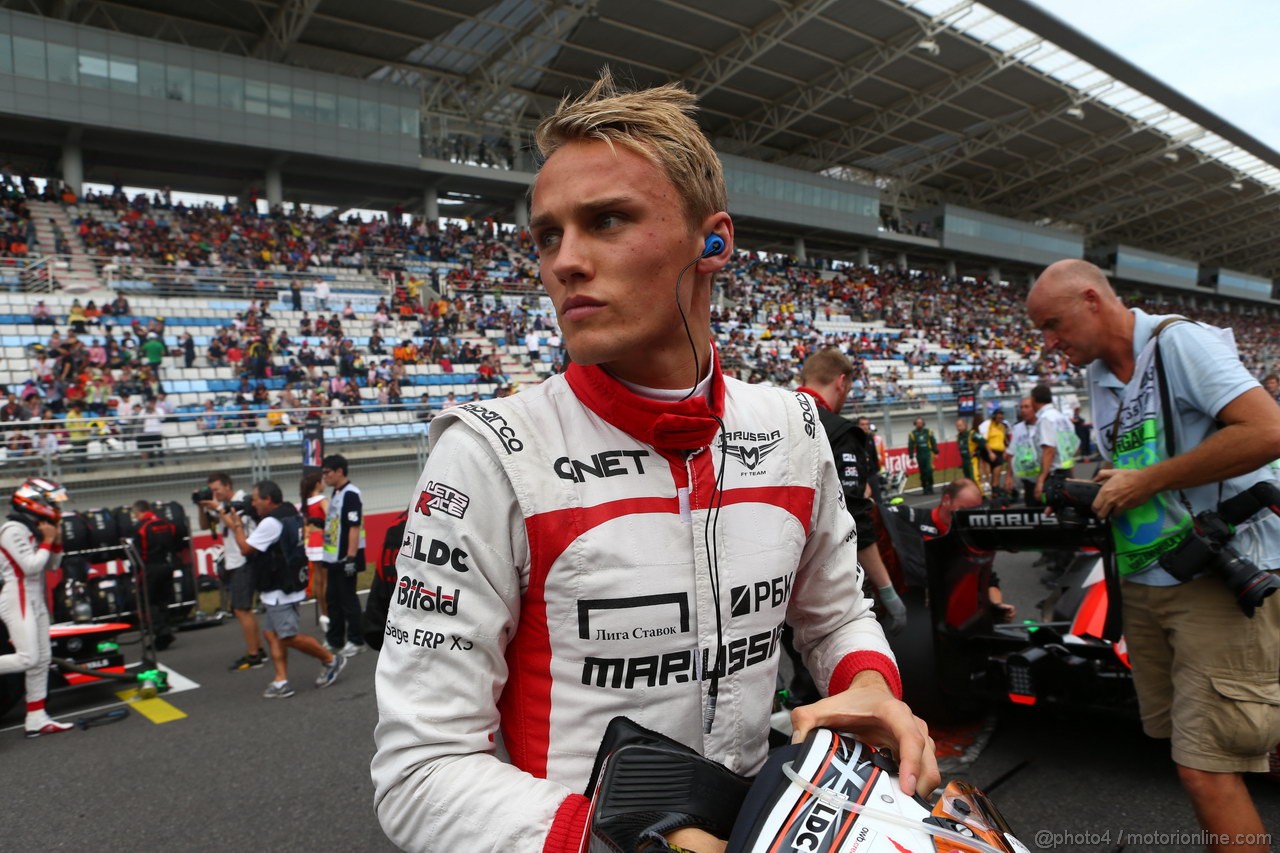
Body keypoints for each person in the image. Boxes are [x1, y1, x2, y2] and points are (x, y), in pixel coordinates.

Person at [372, 71, 935, 853]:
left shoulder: (794, 424)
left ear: (714, 241)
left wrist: (869, 685)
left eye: (606, 220)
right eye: (547, 234)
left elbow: (835, 616)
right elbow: (419, 770)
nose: (564, 261)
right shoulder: (490, 452)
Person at [1028, 259, 1280, 851]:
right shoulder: (1099, 373)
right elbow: (1144, 463)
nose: (1048, 342)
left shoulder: (1178, 343)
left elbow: (1268, 429)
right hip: (1149, 579)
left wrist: (1147, 480)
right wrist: (1107, 485)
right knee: (1208, 754)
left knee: (1207, 768)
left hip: (1215, 581)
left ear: (1093, 300)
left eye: (1054, 324)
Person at [796, 348, 906, 638]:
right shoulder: (840, 431)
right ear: (841, 382)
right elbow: (852, 516)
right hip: (824, 578)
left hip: (772, 578)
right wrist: (887, 588)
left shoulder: (773, 418)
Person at [224, 480, 345, 698]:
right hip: (286, 581)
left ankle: (331, 659)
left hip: (280, 586)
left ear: (268, 499)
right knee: (271, 633)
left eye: (255, 499)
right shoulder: (289, 511)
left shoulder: (271, 523)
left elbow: (245, 549)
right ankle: (281, 681)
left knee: (287, 636)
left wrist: (237, 525)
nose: (253, 503)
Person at [880, 479, 1015, 623]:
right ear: (946, 500)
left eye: (971, 511)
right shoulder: (912, 518)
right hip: (916, 610)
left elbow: (988, 579)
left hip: (958, 613)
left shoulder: (969, 534)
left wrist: (998, 606)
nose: (966, 516)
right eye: (962, 510)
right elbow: (875, 512)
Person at [0, 478, 74, 737]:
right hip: (16, 597)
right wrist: (47, 540)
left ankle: (36, 718)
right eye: (52, 501)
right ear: (35, 501)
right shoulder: (12, 529)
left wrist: (56, 541)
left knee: (41, 660)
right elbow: (30, 566)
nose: (55, 507)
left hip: (35, 599)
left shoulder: (37, 527)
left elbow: (52, 566)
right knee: (28, 657)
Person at [198, 473, 266, 670]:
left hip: (244, 560)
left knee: (241, 609)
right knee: (242, 609)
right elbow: (205, 526)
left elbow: (236, 525)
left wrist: (218, 508)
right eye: (211, 490)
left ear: (228, 486)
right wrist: (202, 506)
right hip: (234, 561)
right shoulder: (222, 504)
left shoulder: (242, 501)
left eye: (217, 489)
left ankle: (254, 655)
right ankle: (258, 650)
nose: (215, 493)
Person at [321, 454, 365, 657]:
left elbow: (354, 527)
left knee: (348, 600)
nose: (324, 477)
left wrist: (350, 557)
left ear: (339, 471)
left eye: (327, 472)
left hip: (345, 558)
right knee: (333, 600)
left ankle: (356, 640)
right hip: (332, 558)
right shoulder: (336, 493)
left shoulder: (351, 493)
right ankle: (334, 638)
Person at [132, 500, 179, 651]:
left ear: (139, 512)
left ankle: (163, 632)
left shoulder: (140, 527)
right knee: (163, 601)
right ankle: (163, 635)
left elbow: (137, 550)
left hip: (150, 567)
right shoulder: (166, 523)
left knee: (149, 602)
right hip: (167, 564)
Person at [1028, 384, 1078, 501]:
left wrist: (1041, 479)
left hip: (1054, 474)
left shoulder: (1046, 418)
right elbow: (1073, 446)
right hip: (1066, 470)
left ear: (1034, 399)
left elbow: (1049, 449)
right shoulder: (1062, 417)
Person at [300, 472, 330, 634]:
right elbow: (332, 519)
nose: (324, 483)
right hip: (323, 540)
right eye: (322, 481)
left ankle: (324, 612)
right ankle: (328, 612)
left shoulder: (305, 504)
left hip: (311, 541)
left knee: (317, 578)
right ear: (317, 484)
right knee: (325, 579)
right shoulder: (321, 500)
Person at [1008, 397, 1041, 504]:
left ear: (1035, 408)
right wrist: (1009, 477)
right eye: (1021, 407)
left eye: (1027, 407)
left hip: (1046, 479)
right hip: (1029, 481)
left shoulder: (1043, 424)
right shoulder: (1017, 429)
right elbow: (1011, 453)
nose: (1023, 410)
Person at [906, 416, 939, 495]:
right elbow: (910, 445)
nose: (919, 424)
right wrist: (911, 455)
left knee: (929, 470)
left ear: (923, 424)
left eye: (920, 423)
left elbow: (933, 442)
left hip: (928, 454)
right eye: (918, 423)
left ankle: (930, 487)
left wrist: (936, 451)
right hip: (920, 455)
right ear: (915, 424)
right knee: (922, 472)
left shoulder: (928, 432)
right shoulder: (912, 434)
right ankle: (924, 487)